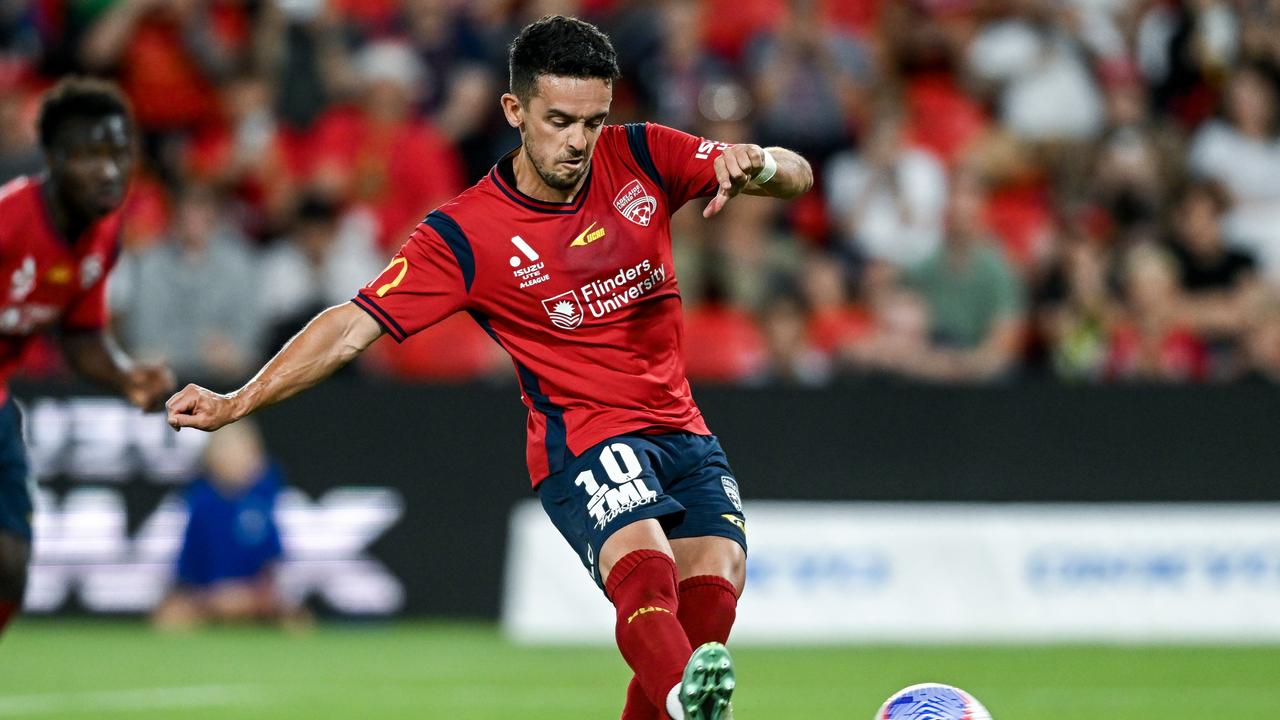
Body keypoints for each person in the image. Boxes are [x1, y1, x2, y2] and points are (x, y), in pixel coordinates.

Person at [165, 15, 813, 720]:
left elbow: (798, 177)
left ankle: (679, 704)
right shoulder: (467, 233)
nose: (577, 142)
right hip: (584, 437)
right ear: (515, 110)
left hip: (682, 428)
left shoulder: (648, 154)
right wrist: (239, 399)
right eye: (559, 120)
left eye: (592, 122)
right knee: (649, 571)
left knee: (715, 590)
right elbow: (352, 326)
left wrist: (759, 164)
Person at [0, 77, 175, 639]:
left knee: (10, 570)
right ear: (53, 159)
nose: (110, 170)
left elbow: (80, 336)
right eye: (91, 156)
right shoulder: (8, 221)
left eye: (120, 153)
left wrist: (125, 377)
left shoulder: (103, 236)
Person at [152, 420, 307, 631]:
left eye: (241, 450)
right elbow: (188, 570)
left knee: (298, 624)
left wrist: (249, 597)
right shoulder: (199, 503)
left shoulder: (270, 498)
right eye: (225, 450)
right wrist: (211, 599)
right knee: (170, 621)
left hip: (258, 599)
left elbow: (277, 567)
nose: (233, 459)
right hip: (207, 599)